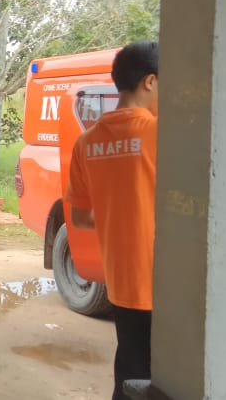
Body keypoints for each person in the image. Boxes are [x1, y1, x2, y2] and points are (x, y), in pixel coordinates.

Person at [66, 41, 159, 400]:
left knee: (130, 375)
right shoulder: (161, 133)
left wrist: (120, 213)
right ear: (149, 81)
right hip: (165, 283)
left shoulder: (86, 142)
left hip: (121, 281)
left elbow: (81, 217)